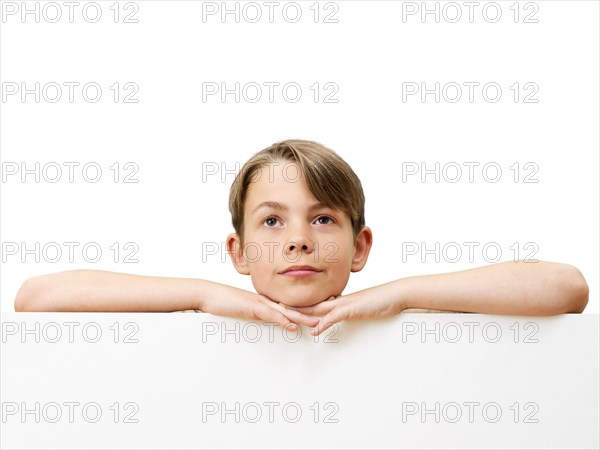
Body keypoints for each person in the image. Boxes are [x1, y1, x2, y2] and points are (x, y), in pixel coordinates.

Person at [14, 139, 589, 336]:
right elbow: (36, 297)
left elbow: (566, 287)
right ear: (238, 253)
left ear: (360, 246)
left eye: (322, 219)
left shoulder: (389, 310)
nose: (298, 240)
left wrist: (404, 293)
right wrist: (204, 294)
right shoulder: (217, 306)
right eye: (271, 221)